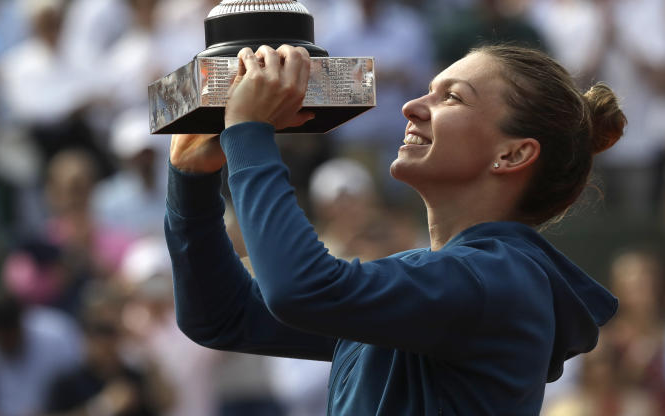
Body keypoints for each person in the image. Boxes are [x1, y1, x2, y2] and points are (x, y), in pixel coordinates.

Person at [165, 43, 626, 414]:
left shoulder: (502, 279)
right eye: (428, 89)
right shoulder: (445, 281)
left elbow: (298, 290)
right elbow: (222, 316)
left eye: (452, 97)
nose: (411, 106)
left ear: (512, 155)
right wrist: (191, 180)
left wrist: (248, 133)